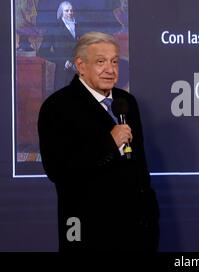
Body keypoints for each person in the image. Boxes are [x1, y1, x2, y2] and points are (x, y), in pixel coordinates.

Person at [38, 32, 159, 251]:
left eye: (114, 61)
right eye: (101, 62)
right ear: (80, 66)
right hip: (88, 234)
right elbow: (58, 171)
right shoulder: (57, 107)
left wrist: (150, 220)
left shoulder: (126, 102)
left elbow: (140, 168)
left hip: (136, 235)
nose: (110, 69)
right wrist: (109, 144)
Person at [38, 1, 82, 91]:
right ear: (61, 12)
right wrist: (62, 61)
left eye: (71, 10)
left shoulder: (78, 26)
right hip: (63, 71)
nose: (70, 13)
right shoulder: (54, 28)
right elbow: (42, 51)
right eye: (67, 11)